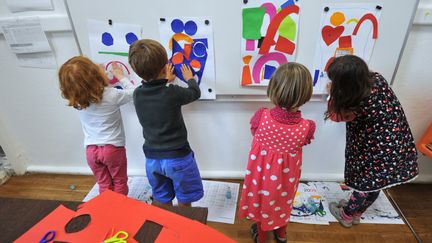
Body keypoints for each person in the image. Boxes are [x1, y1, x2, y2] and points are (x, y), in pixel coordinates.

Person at [325, 55, 419, 227]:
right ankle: (358, 212)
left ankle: (346, 215)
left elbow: (336, 116)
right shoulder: (377, 80)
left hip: (375, 151)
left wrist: (332, 93)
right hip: (395, 144)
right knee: (375, 185)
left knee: (363, 185)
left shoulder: (357, 102)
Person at [239, 62, 316, 243]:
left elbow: (254, 131)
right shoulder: (307, 127)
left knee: (260, 204)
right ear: (306, 94)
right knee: (283, 204)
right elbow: (304, 142)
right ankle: (281, 235)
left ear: (273, 88)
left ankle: (262, 237)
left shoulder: (261, 116)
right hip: (286, 181)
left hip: (260, 177)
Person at [129, 39, 204, 207]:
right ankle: (183, 226)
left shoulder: (137, 94)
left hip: (152, 159)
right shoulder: (172, 92)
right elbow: (194, 92)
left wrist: (165, 81)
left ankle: (166, 226)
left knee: (162, 198)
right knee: (185, 198)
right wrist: (190, 78)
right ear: (165, 68)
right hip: (177, 157)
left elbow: (156, 95)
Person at [59, 56, 135, 195]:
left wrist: (96, 74)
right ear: (96, 75)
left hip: (91, 151)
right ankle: (120, 210)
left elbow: (83, 84)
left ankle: (106, 210)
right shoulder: (111, 95)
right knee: (119, 182)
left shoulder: (78, 102)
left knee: (104, 184)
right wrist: (120, 76)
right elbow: (134, 92)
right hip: (112, 149)